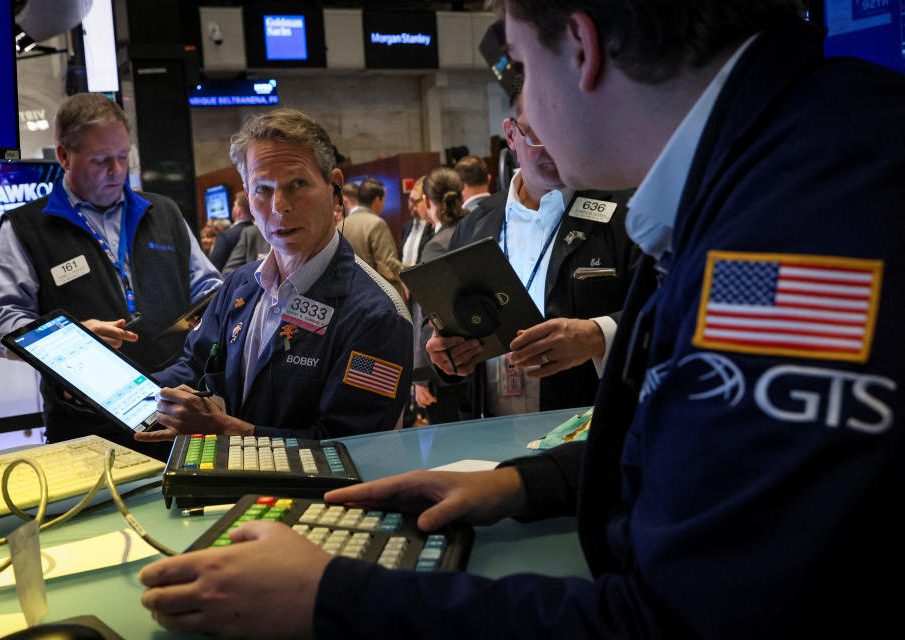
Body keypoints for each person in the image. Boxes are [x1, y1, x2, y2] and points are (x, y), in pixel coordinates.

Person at [139, 1, 905, 637]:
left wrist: (333, 598)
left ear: (582, 45)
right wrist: (522, 482)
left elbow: (684, 622)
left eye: (522, 71)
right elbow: (691, 435)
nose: (526, 109)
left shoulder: (804, 224)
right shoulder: (785, 164)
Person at [135, 109, 412, 443]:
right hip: (228, 487)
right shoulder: (241, 283)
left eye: (298, 184)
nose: (280, 206)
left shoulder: (377, 316)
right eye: (263, 189)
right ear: (248, 198)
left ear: (334, 187)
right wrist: (128, 397)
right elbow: (195, 367)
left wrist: (225, 430)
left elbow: (352, 449)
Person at [0, 92, 222, 450]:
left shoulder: (164, 212)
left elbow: (210, 289)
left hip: (174, 413)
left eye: (123, 157)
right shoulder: (26, 228)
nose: (116, 171)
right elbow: (3, 324)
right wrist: (70, 339)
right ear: (64, 156)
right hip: (85, 429)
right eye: (100, 160)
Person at [424, 82, 639, 419]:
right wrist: (441, 351)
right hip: (490, 431)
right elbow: (444, 319)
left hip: (585, 430)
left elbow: (666, 314)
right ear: (511, 135)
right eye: (539, 135)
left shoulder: (624, 213)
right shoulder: (475, 225)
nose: (556, 147)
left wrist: (597, 336)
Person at [411, 167, 470, 422]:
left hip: (444, 364)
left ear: (426, 201)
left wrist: (421, 375)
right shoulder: (473, 231)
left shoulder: (437, 245)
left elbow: (431, 314)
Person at [337, 178, 407, 296]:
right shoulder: (376, 223)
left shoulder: (339, 226)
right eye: (383, 200)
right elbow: (386, 266)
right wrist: (409, 269)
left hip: (352, 295)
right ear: (377, 200)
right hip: (379, 295)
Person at [208, 192, 254, 271]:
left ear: (238, 210)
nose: (233, 208)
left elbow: (213, 268)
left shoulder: (225, 236)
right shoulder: (260, 233)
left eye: (234, 205)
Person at [399, 176, 433, 267]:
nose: (411, 205)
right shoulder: (407, 227)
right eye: (410, 200)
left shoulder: (432, 227)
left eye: (415, 201)